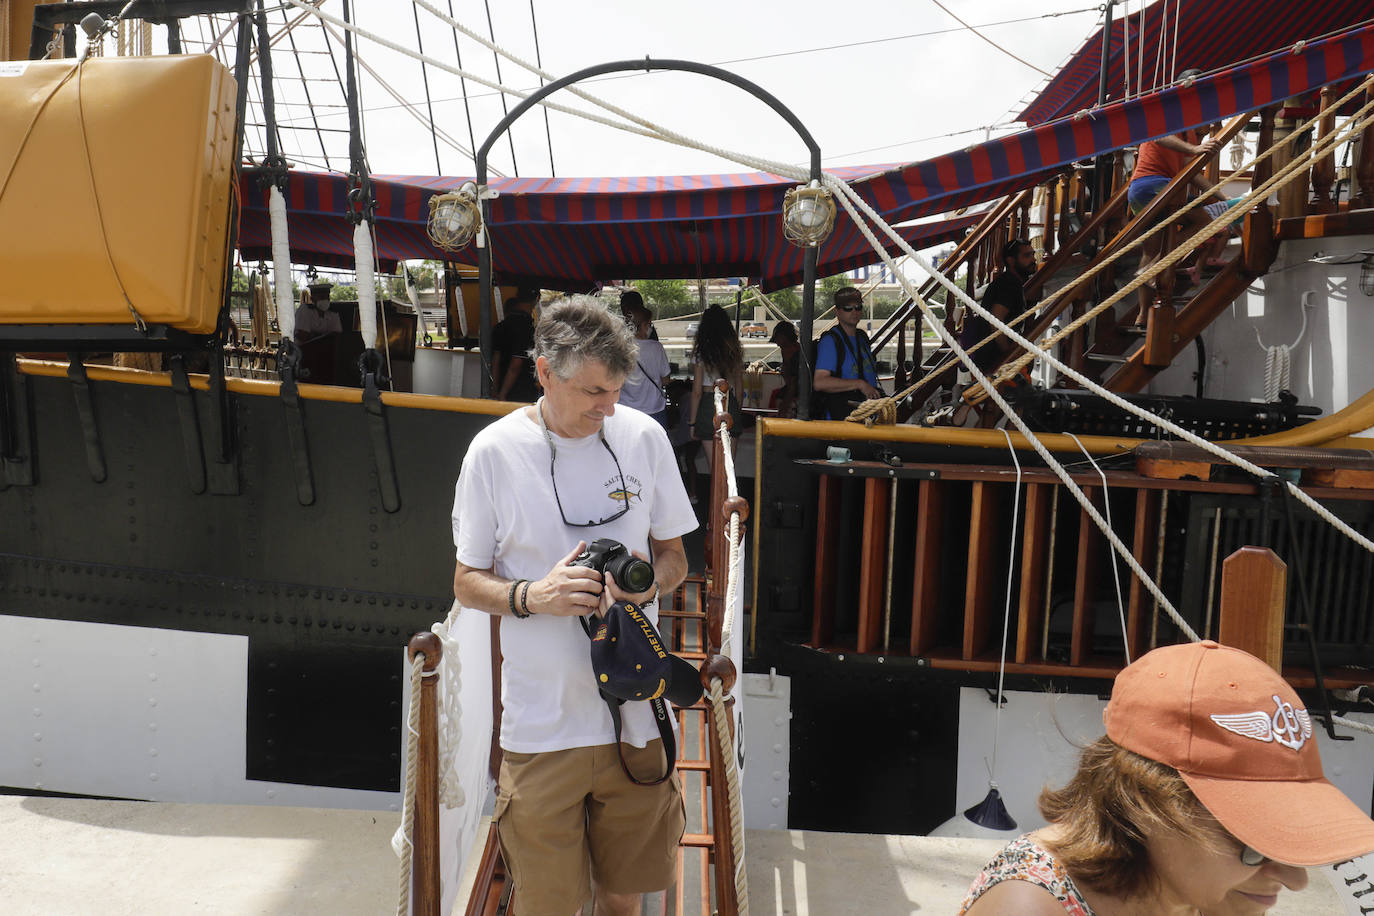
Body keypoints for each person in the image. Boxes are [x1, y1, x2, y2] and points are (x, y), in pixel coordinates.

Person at [451, 296, 697, 916]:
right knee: (549, 905)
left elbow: (675, 555)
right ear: (543, 373)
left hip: (638, 719)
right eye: (593, 392)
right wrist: (535, 596)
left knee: (624, 895)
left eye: (616, 390)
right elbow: (465, 581)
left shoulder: (643, 437)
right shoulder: (493, 452)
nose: (608, 407)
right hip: (540, 733)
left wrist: (647, 587)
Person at [960, 640, 1374, 915]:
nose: (1295, 879)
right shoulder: (1029, 908)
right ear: (1147, 805)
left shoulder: (1184, 887)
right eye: (1255, 846)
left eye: (1293, 841)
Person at [1128, 70, 1228, 323]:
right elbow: (1157, 135)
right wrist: (1195, 148)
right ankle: (1154, 269)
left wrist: (1219, 194)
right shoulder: (1169, 111)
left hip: (1141, 190)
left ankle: (1141, 315)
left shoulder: (1189, 131)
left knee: (1150, 250)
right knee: (1204, 221)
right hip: (1155, 185)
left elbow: (1189, 170)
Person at [960, 238, 1036, 372]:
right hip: (994, 360)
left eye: (1032, 254)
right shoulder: (1008, 285)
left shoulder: (1009, 282)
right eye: (1027, 256)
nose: (1033, 260)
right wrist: (1008, 355)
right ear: (1011, 261)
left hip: (989, 358)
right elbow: (996, 321)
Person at [812, 285, 881, 420]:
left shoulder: (862, 337)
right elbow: (820, 382)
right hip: (842, 419)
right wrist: (860, 384)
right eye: (848, 308)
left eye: (858, 307)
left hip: (867, 414)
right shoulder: (830, 342)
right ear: (837, 311)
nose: (854, 311)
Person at [689, 304, 744, 459]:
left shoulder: (701, 353)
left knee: (714, 466)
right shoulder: (735, 351)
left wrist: (692, 423)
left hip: (708, 406)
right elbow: (740, 392)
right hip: (730, 403)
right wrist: (735, 411)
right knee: (729, 467)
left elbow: (697, 393)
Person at [618, 302, 671, 427]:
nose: (650, 328)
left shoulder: (620, 347)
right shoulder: (656, 348)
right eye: (649, 324)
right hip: (654, 409)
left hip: (627, 409)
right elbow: (666, 380)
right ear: (641, 326)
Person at [492, 288, 540, 401]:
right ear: (538, 298)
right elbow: (516, 364)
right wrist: (503, 394)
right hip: (521, 392)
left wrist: (495, 390)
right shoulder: (528, 328)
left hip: (500, 389)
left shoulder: (499, 327)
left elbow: (495, 361)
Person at [768, 320, 801, 418]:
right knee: (775, 395)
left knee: (778, 398)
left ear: (784, 337)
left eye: (778, 339)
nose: (777, 344)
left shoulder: (796, 354)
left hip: (797, 390)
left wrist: (784, 407)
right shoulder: (785, 351)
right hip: (791, 388)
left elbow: (794, 382)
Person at [293, 281, 342, 345]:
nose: (325, 300)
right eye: (321, 297)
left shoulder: (333, 313)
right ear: (312, 299)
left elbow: (336, 337)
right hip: (303, 350)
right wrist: (325, 337)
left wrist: (314, 335)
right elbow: (303, 336)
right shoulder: (305, 309)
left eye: (327, 297)